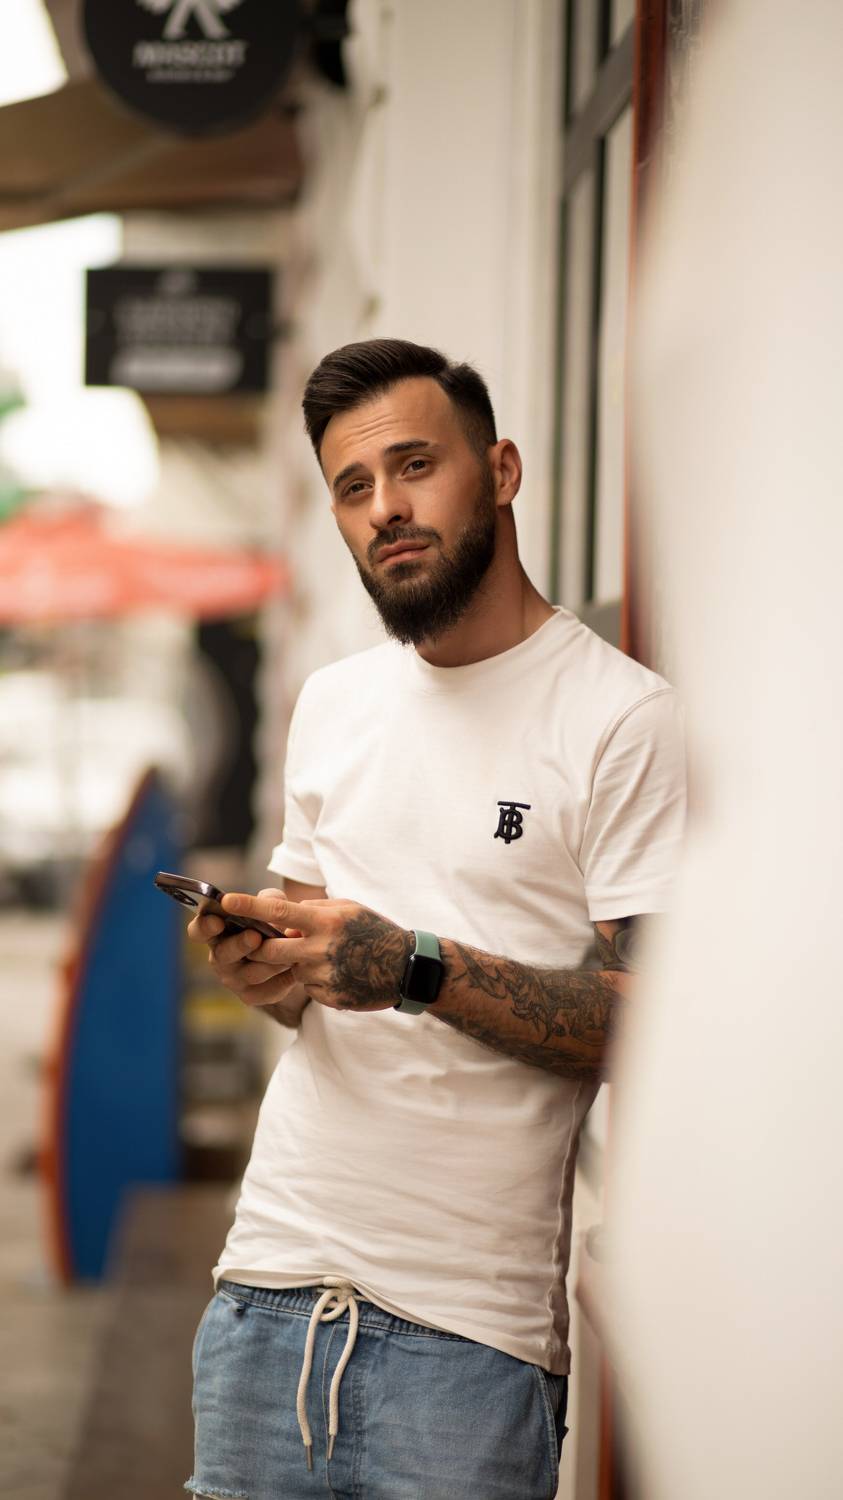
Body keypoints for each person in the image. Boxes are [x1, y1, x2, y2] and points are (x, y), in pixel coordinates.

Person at [184, 338, 686, 1500]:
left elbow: (649, 1025)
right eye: (353, 487)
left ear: (501, 470)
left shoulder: (621, 719)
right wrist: (267, 969)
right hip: (263, 1292)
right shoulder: (334, 703)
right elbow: (314, 964)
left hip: (467, 1338)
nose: (386, 509)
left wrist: (414, 968)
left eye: (415, 466)